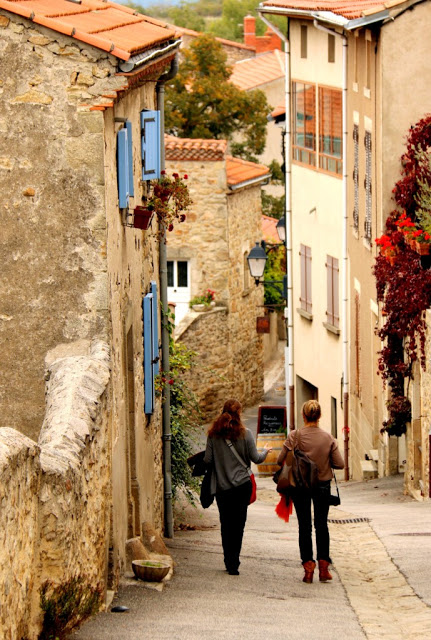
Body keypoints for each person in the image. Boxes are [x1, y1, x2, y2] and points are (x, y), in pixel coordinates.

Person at [277, 399, 344, 584]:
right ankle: (324, 568)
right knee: (321, 525)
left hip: (300, 486)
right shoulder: (328, 438)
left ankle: (308, 568)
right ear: (319, 416)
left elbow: (280, 459)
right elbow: (340, 464)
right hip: (322, 485)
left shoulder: (294, 436)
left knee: (304, 526)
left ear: (303, 415)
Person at [204, 399, 272, 575]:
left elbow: (208, 460)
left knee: (225, 524)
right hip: (242, 486)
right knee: (238, 525)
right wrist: (265, 451)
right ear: (239, 414)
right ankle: (235, 562)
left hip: (222, 488)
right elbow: (256, 458)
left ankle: (228, 560)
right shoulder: (246, 433)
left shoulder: (213, 435)